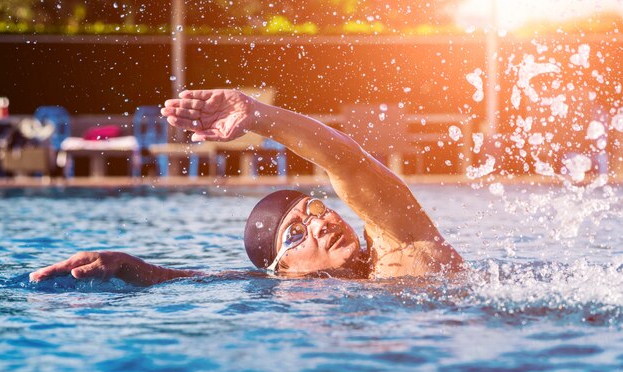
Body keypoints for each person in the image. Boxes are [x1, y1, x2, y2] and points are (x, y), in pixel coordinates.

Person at [30, 89, 465, 286]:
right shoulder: (296, 293)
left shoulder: (402, 251)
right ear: (286, 273)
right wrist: (127, 264)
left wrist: (257, 113)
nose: (319, 225)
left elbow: (346, 161)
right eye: (295, 234)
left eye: (313, 210)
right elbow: (198, 279)